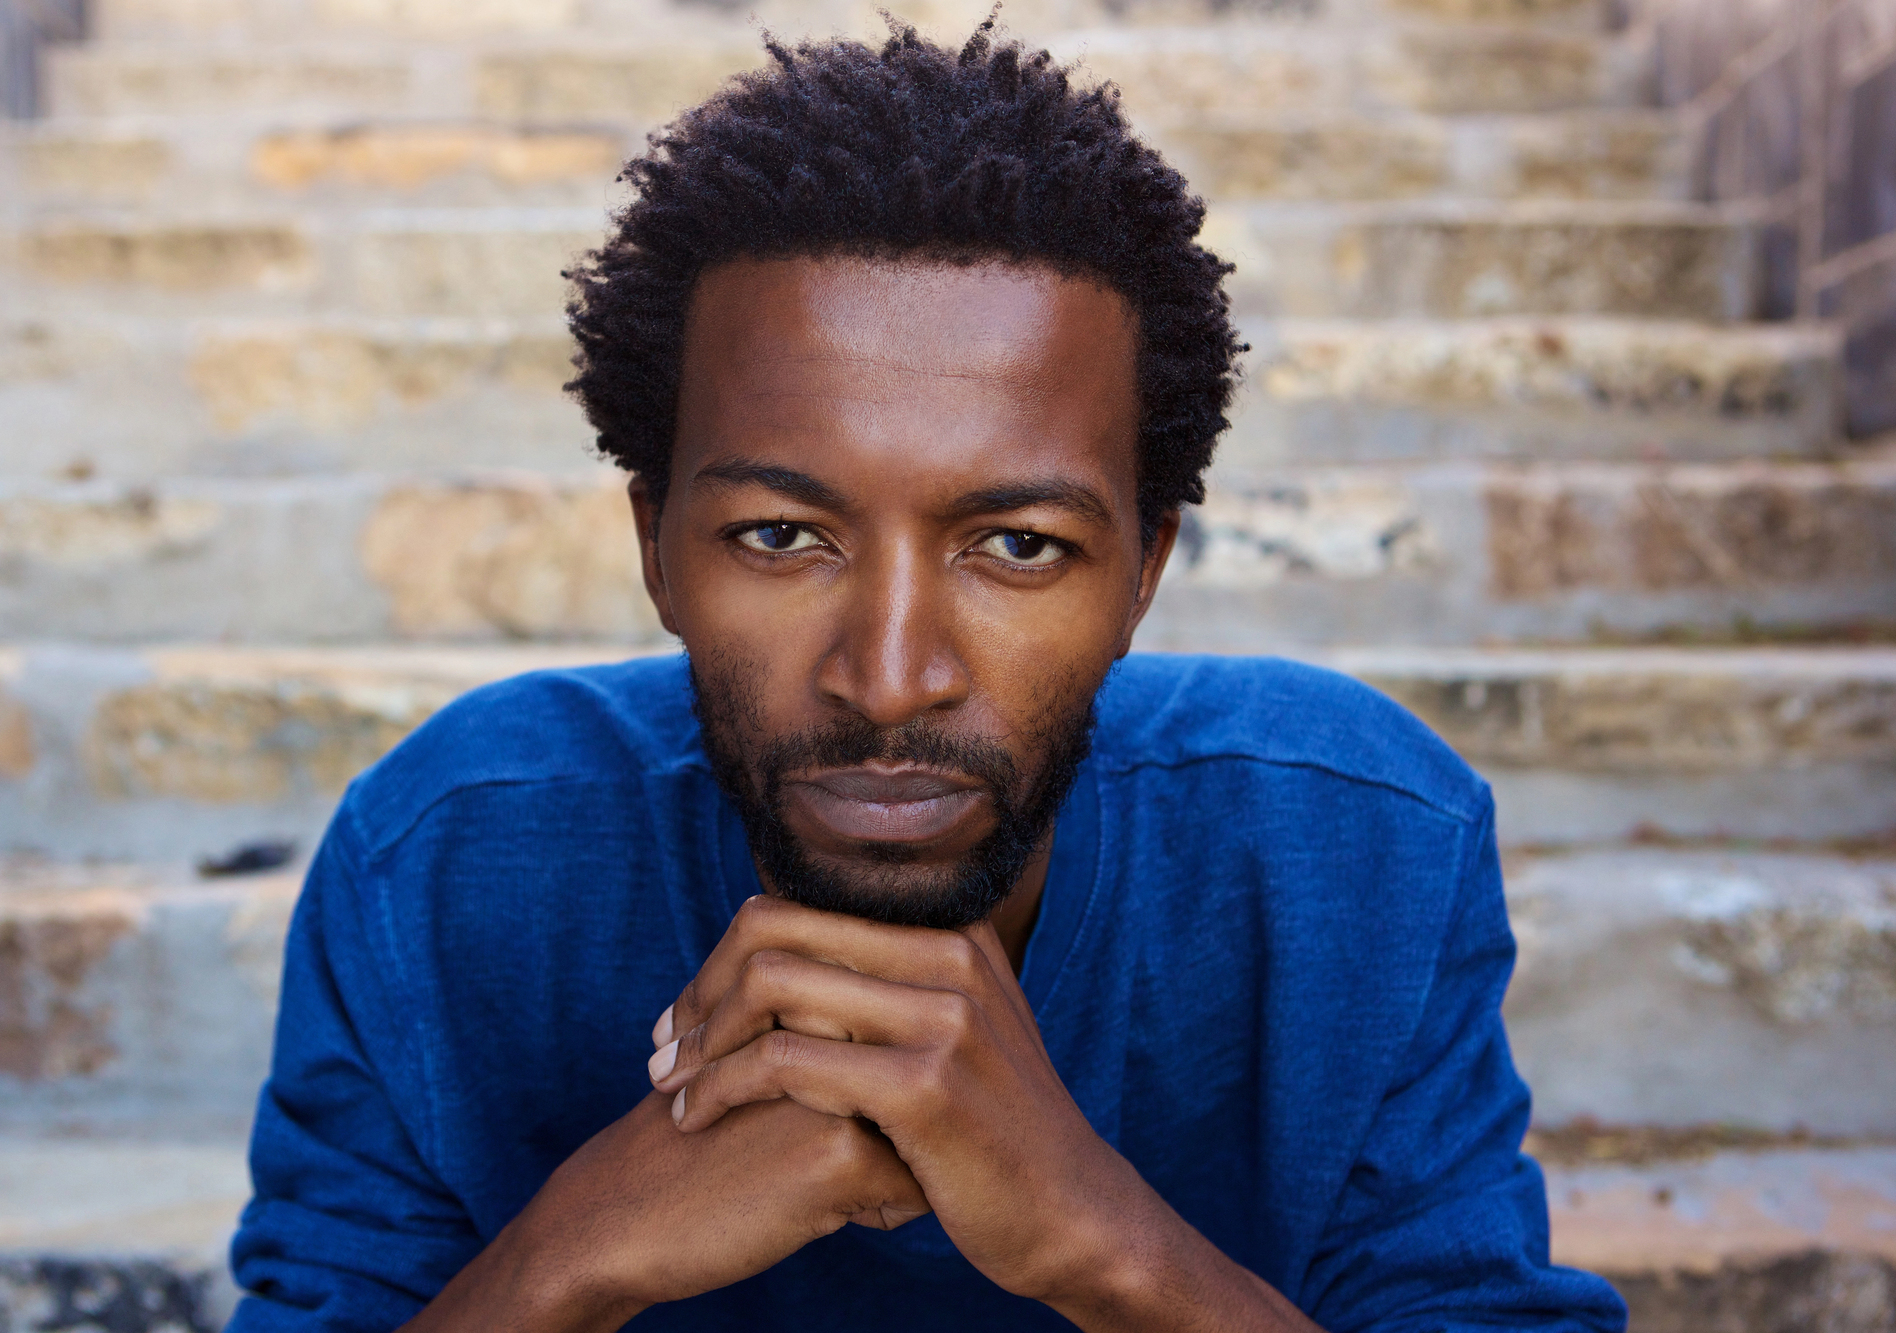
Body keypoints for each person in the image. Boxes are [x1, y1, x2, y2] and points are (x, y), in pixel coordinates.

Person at [226, 24, 1626, 1333]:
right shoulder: (444, 858)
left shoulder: (1357, 851)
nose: (890, 679)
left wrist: (1103, 1241)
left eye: (1018, 544)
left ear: (1143, 568)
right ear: (654, 545)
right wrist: (566, 1258)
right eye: (782, 536)